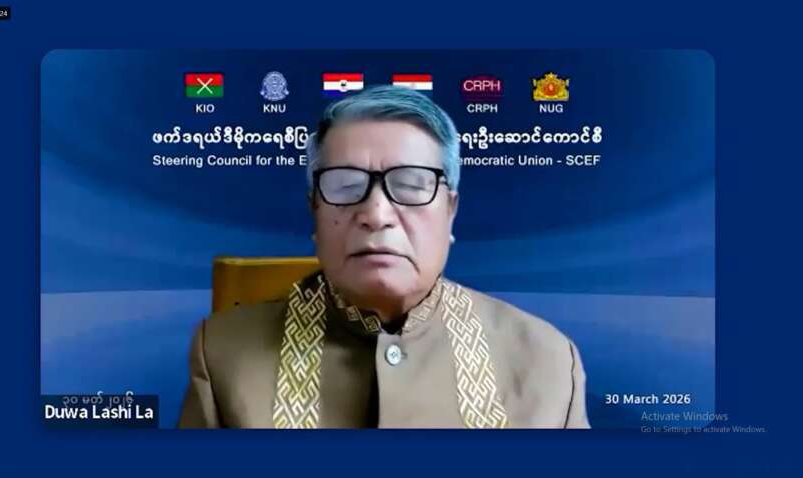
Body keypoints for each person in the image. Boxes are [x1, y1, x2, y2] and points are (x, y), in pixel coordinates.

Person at [179, 85, 590, 428]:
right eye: (345, 186)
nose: (376, 215)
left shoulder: (548, 363)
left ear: (450, 211)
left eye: (411, 185)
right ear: (315, 211)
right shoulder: (223, 355)